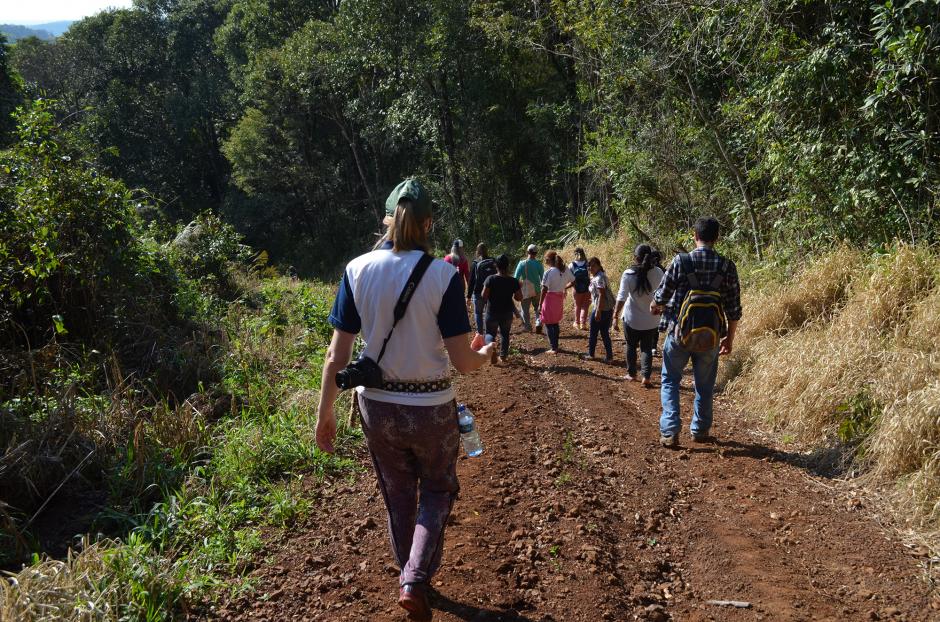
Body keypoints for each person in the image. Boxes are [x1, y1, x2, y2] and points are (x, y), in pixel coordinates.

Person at [315, 179, 495, 620]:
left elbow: (336, 354)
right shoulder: (444, 275)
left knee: (398, 496)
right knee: (437, 488)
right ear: (429, 223)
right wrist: (485, 356)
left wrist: (325, 413)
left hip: (375, 408)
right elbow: (461, 361)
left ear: (387, 219)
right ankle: (415, 576)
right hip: (432, 408)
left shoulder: (357, 269)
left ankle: (409, 574)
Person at [650, 217, 742, 447]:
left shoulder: (681, 261)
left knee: (670, 379)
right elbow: (734, 309)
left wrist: (655, 306)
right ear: (717, 238)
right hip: (710, 336)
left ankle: (670, 431)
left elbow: (661, 296)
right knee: (705, 384)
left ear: (695, 236)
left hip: (678, 333)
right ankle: (700, 429)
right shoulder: (727, 266)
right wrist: (728, 339)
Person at [613, 244, 665, 387]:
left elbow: (621, 297)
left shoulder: (628, 274)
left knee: (631, 345)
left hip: (631, 319)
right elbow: (664, 294)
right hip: (651, 320)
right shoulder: (659, 272)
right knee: (646, 348)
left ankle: (631, 374)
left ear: (636, 258)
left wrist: (615, 316)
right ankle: (646, 377)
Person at [481, 254, 522, 361]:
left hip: (492, 312)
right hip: (507, 313)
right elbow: (519, 298)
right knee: (505, 334)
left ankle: (492, 350)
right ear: (507, 266)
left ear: (496, 265)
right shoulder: (513, 281)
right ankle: (503, 356)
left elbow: (483, 296)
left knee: (490, 333)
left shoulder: (490, 279)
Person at [537, 251, 574, 353]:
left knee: (549, 323)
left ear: (549, 260)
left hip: (549, 299)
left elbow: (544, 289)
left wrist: (540, 304)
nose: (545, 261)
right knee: (555, 322)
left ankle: (553, 347)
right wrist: (564, 287)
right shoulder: (565, 270)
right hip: (559, 298)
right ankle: (555, 345)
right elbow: (574, 281)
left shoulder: (549, 272)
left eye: (546, 259)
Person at [582, 257, 615, 362]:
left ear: (599, 266)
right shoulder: (599, 276)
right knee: (604, 333)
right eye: (589, 266)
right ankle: (609, 356)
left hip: (601, 309)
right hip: (607, 309)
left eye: (593, 265)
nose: (591, 268)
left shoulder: (599, 277)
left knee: (593, 332)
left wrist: (598, 311)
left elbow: (602, 294)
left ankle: (591, 354)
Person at [467, 243, 497, 336]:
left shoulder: (475, 263)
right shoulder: (493, 261)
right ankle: (490, 333)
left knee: (478, 313)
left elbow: (471, 281)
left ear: (477, 251)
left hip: (478, 292)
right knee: (490, 313)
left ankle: (480, 334)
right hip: (491, 292)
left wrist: (468, 296)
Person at [514, 244, 544, 332]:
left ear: (527, 252)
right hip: (537, 290)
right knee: (537, 307)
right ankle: (538, 322)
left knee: (525, 309)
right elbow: (543, 278)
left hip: (526, 290)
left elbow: (516, 278)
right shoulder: (539, 264)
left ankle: (527, 326)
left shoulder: (521, 264)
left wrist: (517, 289)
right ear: (536, 253)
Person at [569, 248, 591, 330]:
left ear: (575, 254)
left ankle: (577, 323)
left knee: (577, 305)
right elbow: (591, 275)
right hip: (587, 288)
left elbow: (569, 277)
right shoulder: (588, 263)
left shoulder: (571, 264)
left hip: (576, 288)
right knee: (585, 306)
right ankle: (583, 324)